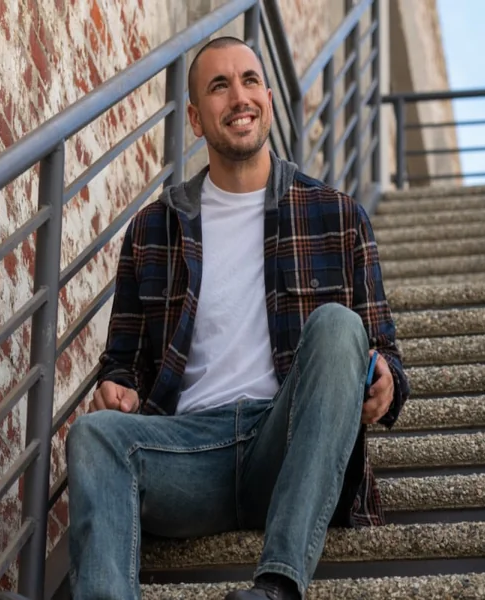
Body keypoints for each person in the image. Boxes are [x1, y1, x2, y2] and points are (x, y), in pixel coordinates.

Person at [65, 36, 410, 600]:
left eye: (250, 81)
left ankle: (277, 587)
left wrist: (386, 384)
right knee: (93, 435)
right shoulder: (155, 228)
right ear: (196, 119)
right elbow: (120, 363)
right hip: (188, 455)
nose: (239, 97)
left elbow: (388, 358)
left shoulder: (336, 214)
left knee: (339, 326)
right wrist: (117, 388)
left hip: (289, 443)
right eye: (219, 86)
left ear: (269, 100)